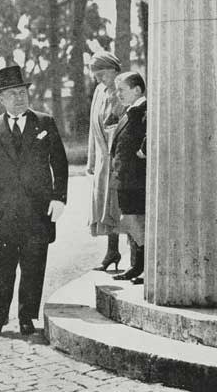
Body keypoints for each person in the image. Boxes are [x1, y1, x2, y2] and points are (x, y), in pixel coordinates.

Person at [0, 66, 68, 335]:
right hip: (3, 213)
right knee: (2, 265)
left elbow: (59, 163)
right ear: (1, 99)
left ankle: (27, 316)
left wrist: (59, 198)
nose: (19, 98)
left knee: (34, 264)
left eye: (22, 92)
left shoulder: (45, 122)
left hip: (38, 211)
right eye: (12, 94)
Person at [86, 52, 126, 272]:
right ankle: (112, 251)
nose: (99, 80)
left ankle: (137, 257)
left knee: (123, 205)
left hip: (120, 159)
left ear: (113, 70)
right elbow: (94, 127)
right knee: (106, 206)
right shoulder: (99, 91)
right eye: (96, 76)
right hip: (104, 158)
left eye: (102, 74)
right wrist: (92, 159)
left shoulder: (123, 89)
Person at [111, 71, 147, 285]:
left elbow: (150, 131)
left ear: (137, 89)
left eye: (122, 90)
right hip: (125, 177)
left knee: (135, 220)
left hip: (137, 177)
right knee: (131, 221)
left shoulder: (145, 109)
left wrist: (143, 150)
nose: (118, 95)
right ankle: (139, 266)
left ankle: (143, 267)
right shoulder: (130, 110)